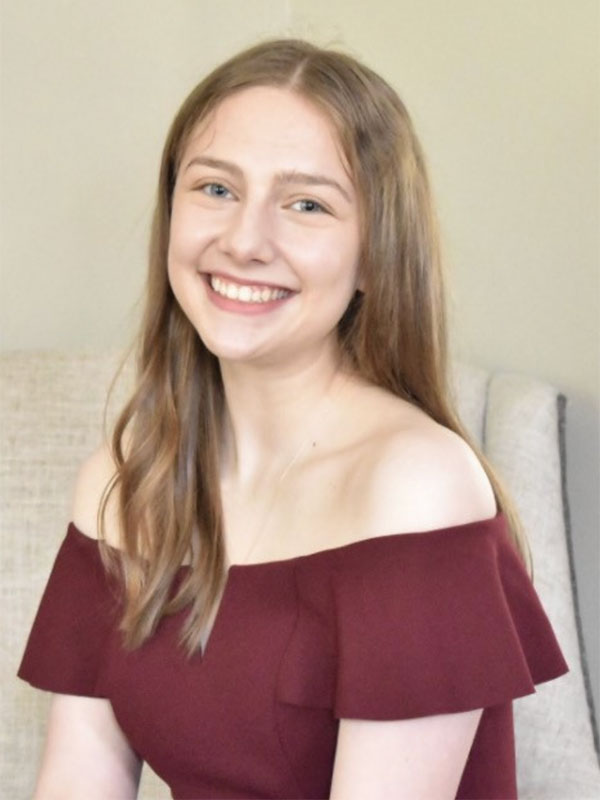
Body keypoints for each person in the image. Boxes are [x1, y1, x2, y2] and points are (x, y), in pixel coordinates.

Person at [19, 39, 567, 799]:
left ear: (375, 253)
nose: (244, 240)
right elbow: (79, 783)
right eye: (215, 189)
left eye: (306, 204)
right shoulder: (124, 480)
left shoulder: (415, 486)